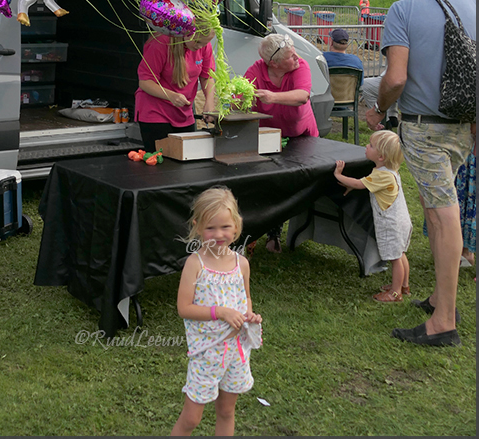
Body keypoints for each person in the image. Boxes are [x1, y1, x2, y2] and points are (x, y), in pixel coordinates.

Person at [366, 0, 476, 346]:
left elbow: (395, 78)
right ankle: (438, 299)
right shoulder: (468, 5)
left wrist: (378, 110)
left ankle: (443, 321)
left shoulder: (404, 9)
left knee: (441, 215)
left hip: (426, 127)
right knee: (439, 211)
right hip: (463, 125)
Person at [171, 187, 262, 437]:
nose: (219, 234)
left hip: (236, 352)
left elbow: (246, 299)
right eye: (211, 228)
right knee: (191, 418)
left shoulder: (241, 264)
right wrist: (220, 312)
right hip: (207, 353)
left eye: (225, 227)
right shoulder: (195, 264)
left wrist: (249, 317)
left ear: (236, 226)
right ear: (198, 226)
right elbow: (184, 308)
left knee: (226, 411)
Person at [244, 34, 319, 252]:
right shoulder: (255, 71)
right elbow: (241, 97)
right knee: (268, 184)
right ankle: (271, 232)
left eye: (294, 51)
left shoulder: (301, 66)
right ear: (273, 63)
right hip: (268, 139)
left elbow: (302, 96)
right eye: (290, 55)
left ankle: (296, 229)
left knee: (294, 184)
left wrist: (272, 96)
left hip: (301, 136)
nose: (297, 57)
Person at [334, 130, 412, 301]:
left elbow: (359, 183)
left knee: (395, 258)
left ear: (381, 156)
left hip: (390, 224)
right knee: (401, 254)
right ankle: (404, 285)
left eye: (370, 145)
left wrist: (339, 175)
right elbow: (368, 184)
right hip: (401, 221)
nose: (366, 146)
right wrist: (354, 186)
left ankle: (395, 293)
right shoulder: (389, 171)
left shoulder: (381, 174)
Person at [135, 30, 216, 154]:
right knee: (160, 160)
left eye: (204, 43)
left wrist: (209, 102)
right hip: (156, 111)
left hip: (184, 112)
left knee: (187, 158)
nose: (199, 46)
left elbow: (207, 76)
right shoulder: (161, 42)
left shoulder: (204, 46)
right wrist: (170, 96)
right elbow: (145, 81)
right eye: (198, 42)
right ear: (188, 32)